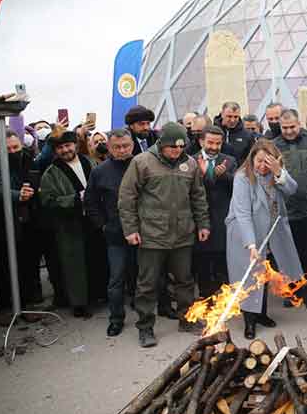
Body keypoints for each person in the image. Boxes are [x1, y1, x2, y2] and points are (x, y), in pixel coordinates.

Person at [118, 122, 210, 347]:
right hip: (152, 235)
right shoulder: (142, 162)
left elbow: (198, 196)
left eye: (180, 147)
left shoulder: (189, 164)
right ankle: (146, 327)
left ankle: (186, 320)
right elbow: (126, 198)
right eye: (172, 148)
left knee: (185, 281)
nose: (177, 152)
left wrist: (203, 224)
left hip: (182, 234)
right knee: (147, 284)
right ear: (161, 144)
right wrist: (130, 230)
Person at [225, 139, 304, 339]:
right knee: (250, 272)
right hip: (244, 231)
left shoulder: (276, 174)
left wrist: (279, 173)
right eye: (258, 161)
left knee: (265, 272)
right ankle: (249, 320)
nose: (262, 167)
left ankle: (261, 314)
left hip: (271, 229)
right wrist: (251, 244)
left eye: (266, 162)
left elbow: (292, 190)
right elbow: (242, 213)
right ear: (251, 159)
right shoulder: (242, 177)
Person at [40, 130, 98, 318]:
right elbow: (47, 201)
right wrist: (74, 199)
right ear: (56, 150)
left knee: (94, 258)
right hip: (69, 225)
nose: (65, 150)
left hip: (93, 221)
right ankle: (78, 303)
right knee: (74, 266)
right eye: (60, 147)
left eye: (68, 145)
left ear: (75, 145)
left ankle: (96, 296)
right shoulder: (51, 172)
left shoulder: (89, 162)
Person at [84, 129, 135, 336]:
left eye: (125, 146)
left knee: (146, 278)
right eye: (117, 147)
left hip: (145, 232)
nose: (122, 150)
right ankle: (116, 318)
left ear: (131, 146)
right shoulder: (100, 171)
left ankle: (145, 316)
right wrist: (102, 225)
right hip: (115, 235)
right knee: (116, 280)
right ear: (109, 147)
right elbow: (91, 202)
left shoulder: (142, 165)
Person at [274, 109, 307, 305]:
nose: (288, 131)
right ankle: (293, 290)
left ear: (299, 124)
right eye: (284, 128)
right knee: (288, 254)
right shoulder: (274, 145)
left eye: (292, 127)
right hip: (286, 211)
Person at [0, 130, 40, 325]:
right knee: (3, 265)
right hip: (0, 222)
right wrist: (17, 195)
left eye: (16, 147)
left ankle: (26, 304)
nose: (13, 151)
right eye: (8, 149)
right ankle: (5, 307)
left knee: (27, 262)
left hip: (25, 219)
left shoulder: (27, 158)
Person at [193, 126, 236, 298]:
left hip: (222, 221)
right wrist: (203, 176)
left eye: (218, 143)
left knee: (222, 263)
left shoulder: (229, 161)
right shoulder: (190, 160)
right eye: (210, 142)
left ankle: (224, 300)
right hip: (199, 221)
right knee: (203, 263)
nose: (214, 147)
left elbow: (238, 186)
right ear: (201, 141)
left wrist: (224, 175)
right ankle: (205, 299)